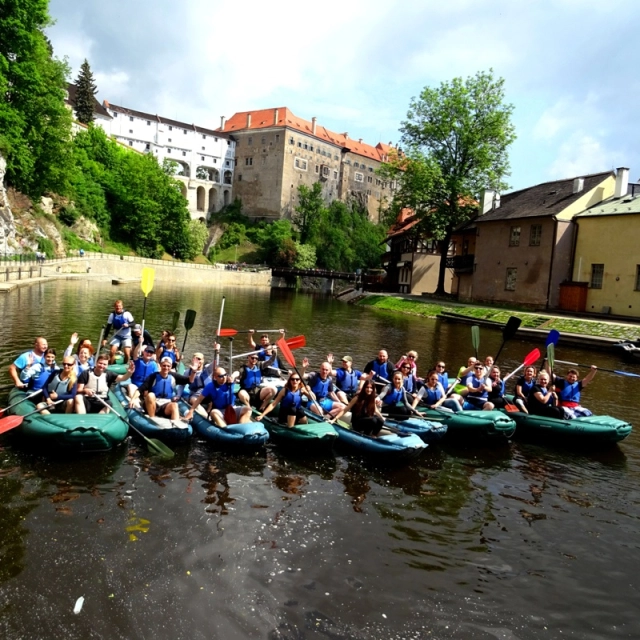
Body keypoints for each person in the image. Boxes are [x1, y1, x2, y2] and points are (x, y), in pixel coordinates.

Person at [184, 366, 252, 427]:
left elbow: (237, 372)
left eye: (225, 375)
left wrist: (233, 376)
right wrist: (191, 411)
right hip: (220, 411)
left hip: (232, 408)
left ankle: (241, 427)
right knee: (213, 412)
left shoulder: (230, 380)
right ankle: (226, 430)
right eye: (221, 376)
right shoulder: (210, 386)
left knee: (248, 410)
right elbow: (199, 399)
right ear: (215, 377)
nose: (224, 378)